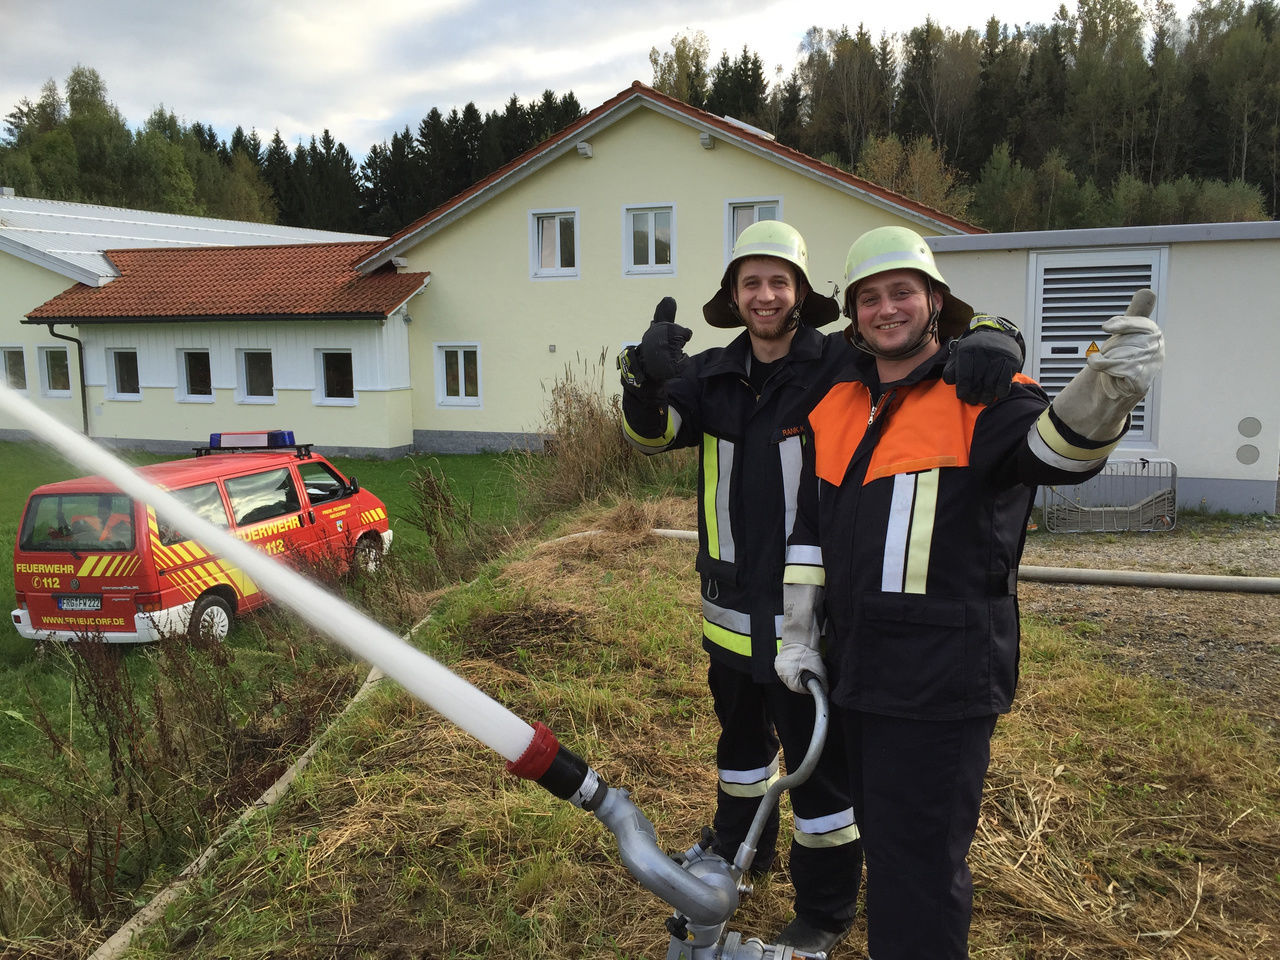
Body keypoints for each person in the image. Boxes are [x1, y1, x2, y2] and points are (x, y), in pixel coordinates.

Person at [616, 220, 1026, 954]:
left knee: (819, 770)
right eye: (752, 282)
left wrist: (998, 336)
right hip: (728, 609)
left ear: (802, 293)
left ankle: (827, 907)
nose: (765, 295)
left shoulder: (842, 367)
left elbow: (924, 359)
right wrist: (642, 383)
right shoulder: (709, 373)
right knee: (740, 751)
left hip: (811, 610)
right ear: (733, 297)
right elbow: (654, 434)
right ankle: (738, 857)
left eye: (780, 281)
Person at [774, 225, 1164, 959]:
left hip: (939, 679)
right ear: (853, 315)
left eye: (901, 293)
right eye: (869, 298)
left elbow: (1058, 453)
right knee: (886, 846)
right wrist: (798, 634)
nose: (886, 309)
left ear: (935, 302)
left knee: (916, 866)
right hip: (856, 667)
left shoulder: (980, 389)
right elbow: (809, 533)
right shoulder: (836, 405)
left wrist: (1109, 389)